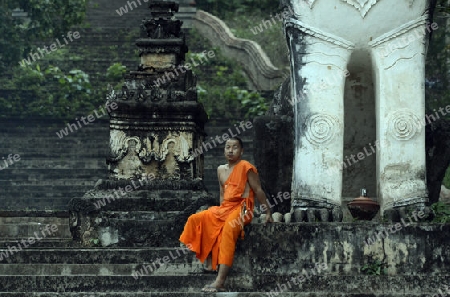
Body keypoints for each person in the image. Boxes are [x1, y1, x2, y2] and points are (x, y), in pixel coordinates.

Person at [179, 136, 274, 292]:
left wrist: (268, 212)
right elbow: (223, 194)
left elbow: (258, 190)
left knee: (229, 229)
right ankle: (210, 260)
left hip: (243, 208)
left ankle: (220, 281)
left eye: (235, 147)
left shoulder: (246, 167)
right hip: (226, 208)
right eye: (227, 147)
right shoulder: (220, 170)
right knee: (196, 218)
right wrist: (219, 213)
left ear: (242, 151)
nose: (230, 150)